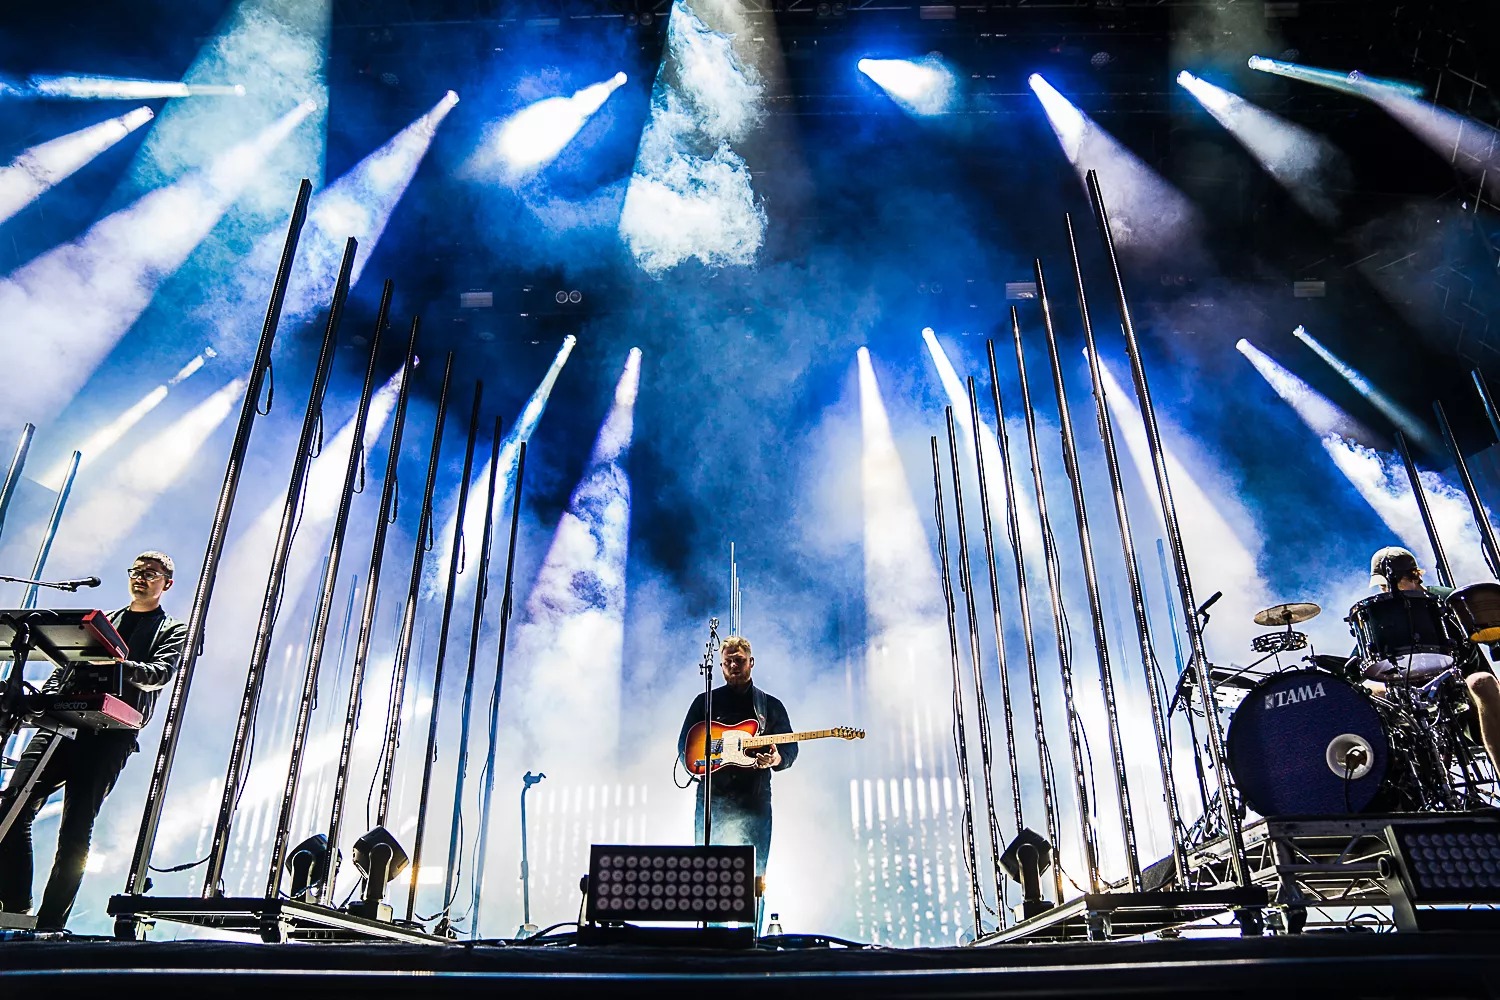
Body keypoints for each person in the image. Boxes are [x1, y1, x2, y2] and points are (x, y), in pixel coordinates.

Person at [0, 551, 187, 930]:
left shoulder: (172, 630)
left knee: (75, 829)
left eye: (150, 574)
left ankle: (50, 924)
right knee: (11, 808)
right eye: (136, 571)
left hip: (110, 733)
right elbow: (65, 666)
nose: (140, 578)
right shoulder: (104, 622)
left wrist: (115, 663)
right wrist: (46, 700)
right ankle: (16, 906)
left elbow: (159, 674)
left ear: (166, 583)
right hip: (60, 722)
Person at [1366, 545, 1500, 766]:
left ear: (1412, 577)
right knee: (1370, 693)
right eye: (1381, 586)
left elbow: (1492, 634)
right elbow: (1364, 662)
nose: (1385, 591)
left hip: (1464, 690)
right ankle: (1406, 794)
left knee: (1481, 681)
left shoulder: (1449, 600)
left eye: (1388, 584)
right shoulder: (1381, 613)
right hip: (1413, 697)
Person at [676, 635, 796, 880]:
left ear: (751, 662)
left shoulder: (769, 706)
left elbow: (790, 748)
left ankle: (753, 920)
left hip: (754, 799)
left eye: (739, 660)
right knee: (709, 877)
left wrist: (775, 760)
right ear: (720, 666)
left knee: (754, 878)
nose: (733, 666)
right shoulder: (705, 703)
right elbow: (684, 746)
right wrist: (705, 763)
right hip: (712, 800)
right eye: (728, 661)